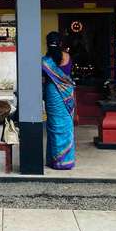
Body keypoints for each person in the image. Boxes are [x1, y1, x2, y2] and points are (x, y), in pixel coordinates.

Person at [42, 31, 76, 170]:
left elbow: (43, 79)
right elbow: (69, 74)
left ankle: (54, 160)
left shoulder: (45, 61)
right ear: (61, 43)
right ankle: (66, 161)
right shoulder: (67, 56)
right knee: (66, 126)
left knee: (53, 126)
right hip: (67, 94)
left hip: (52, 93)